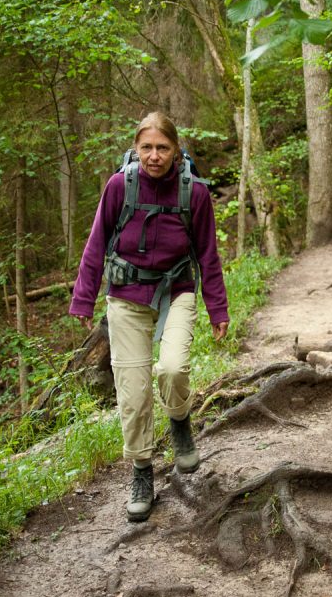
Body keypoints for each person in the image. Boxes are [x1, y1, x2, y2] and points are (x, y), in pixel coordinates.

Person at [69, 111, 229, 522]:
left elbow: (208, 254)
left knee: (173, 368)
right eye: (147, 148)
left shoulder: (193, 192)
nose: (154, 156)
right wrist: (83, 299)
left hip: (176, 290)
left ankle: (179, 421)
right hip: (126, 296)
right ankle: (142, 471)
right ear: (136, 149)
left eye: (162, 148)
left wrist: (218, 309)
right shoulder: (120, 186)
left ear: (176, 150)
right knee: (134, 391)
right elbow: (96, 243)